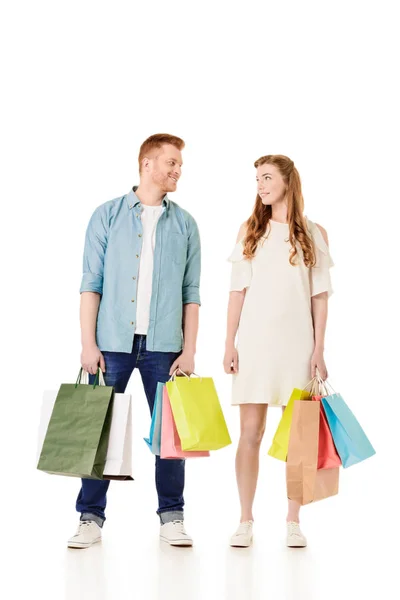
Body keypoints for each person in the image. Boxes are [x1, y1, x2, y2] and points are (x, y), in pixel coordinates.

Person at [67, 133, 201, 549]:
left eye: (179, 163)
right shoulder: (106, 215)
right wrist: (88, 344)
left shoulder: (185, 224)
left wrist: (190, 349)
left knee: (170, 437)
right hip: (111, 345)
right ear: (147, 164)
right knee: (97, 431)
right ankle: (90, 518)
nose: (178, 170)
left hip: (165, 347)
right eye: (171, 162)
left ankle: (172, 517)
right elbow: (91, 284)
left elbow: (190, 293)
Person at [223, 154, 333, 548]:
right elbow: (237, 292)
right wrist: (229, 343)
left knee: (300, 436)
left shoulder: (313, 232)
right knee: (250, 433)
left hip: (298, 346)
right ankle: (245, 519)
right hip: (254, 344)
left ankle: (292, 520)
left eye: (267, 177)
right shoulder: (250, 230)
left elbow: (319, 297)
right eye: (257, 179)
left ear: (288, 180)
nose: (261, 185)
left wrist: (319, 349)